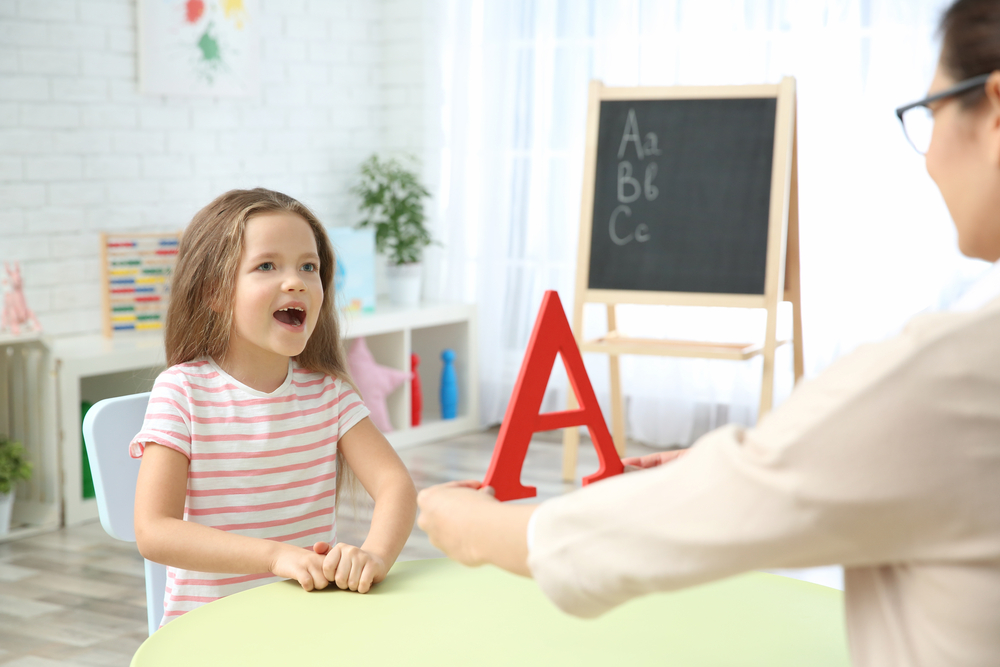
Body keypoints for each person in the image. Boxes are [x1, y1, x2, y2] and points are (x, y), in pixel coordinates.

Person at [416, 0, 1000, 664]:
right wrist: (743, 462)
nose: (926, 160)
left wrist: (483, 528)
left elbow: (714, 513)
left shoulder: (951, 371)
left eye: (927, 114)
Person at [132, 188, 417, 626]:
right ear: (213, 291)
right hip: (211, 632)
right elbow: (154, 530)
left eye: (309, 266)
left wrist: (375, 555)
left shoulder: (330, 394)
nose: (296, 280)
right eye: (267, 265)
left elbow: (396, 484)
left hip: (310, 624)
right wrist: (275, 557)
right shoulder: (182, 392)